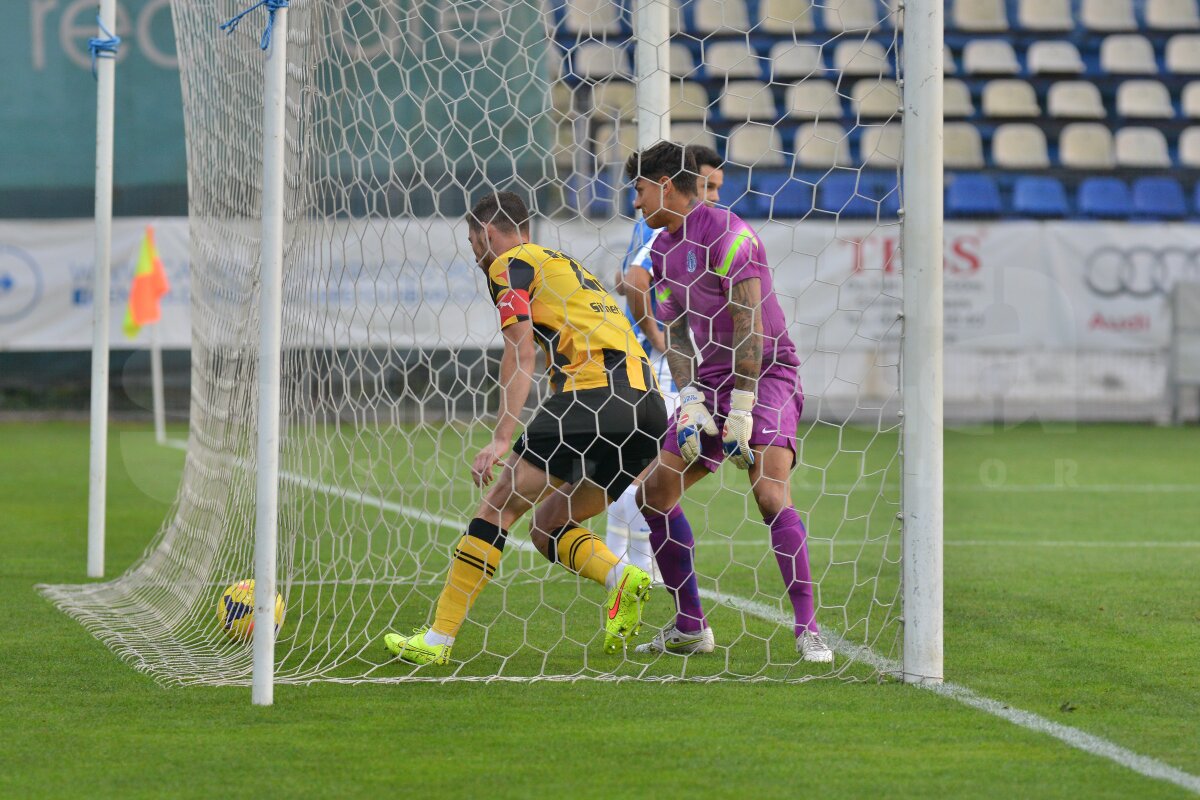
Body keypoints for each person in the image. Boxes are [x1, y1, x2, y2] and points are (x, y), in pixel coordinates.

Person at [383, 191, 668, 665]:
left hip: (593, 396)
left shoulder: (509, 264)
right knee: (549, 526)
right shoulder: (562, 264)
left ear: (487, 232)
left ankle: (437, 640)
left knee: (497, 508)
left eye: (473, 241)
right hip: (647, 410)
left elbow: (520, 349)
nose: (475, 252)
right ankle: (623, 578)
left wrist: (501, 437)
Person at [625, 142, 834, 664]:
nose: (635, 202)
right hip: (713, 380)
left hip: (766, 371)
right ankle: (691, 627)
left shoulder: (729, 233)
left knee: (767, 492)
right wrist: (692, 397)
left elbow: (750, 323)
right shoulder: (661, 250)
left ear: (666, 185)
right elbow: (672, 329)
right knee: (653, 493)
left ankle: (808, 629)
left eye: (640, 189)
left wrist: (741, 406)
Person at [606, 145, 724, 581]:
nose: (712, 195)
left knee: (646, 469)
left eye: (716, 188)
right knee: (653, 469)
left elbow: (625, 277)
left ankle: (625, 562)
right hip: (656, 364)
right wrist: (659, 337)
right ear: (682, 183)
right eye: (707, 186)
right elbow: (636, 280)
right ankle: (633, 567)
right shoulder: (662, 227)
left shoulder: (684, 228)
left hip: (662, 363)